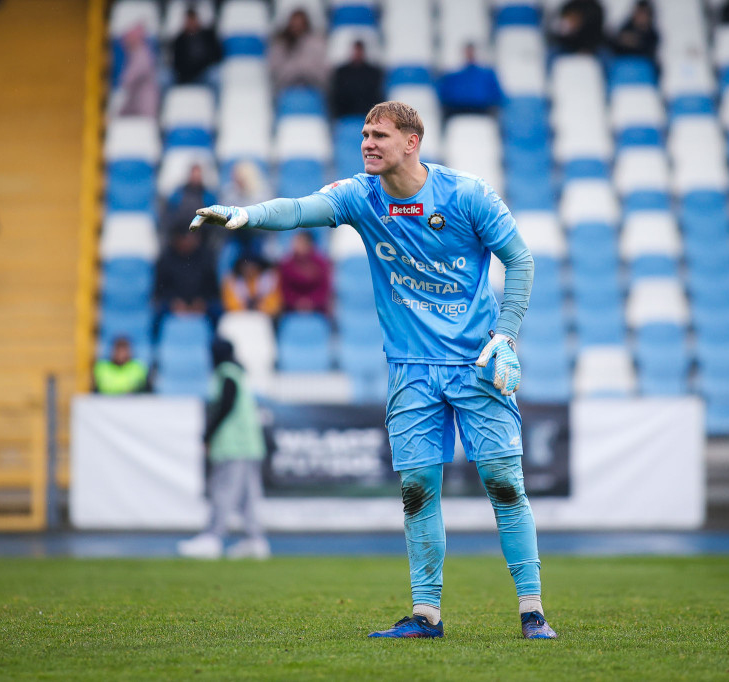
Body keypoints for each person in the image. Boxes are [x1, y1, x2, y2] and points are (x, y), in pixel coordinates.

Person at [190, 101, 556, 640]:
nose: (367, 143)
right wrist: (246, 215)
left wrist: (505, 335)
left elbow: (520, 261)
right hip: (410, 370)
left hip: (476, 364)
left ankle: (532, 611)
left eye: (379, 135)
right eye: (363, 133)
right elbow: (297, 210)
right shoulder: (362, 196)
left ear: (412, 142)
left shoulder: (467, 195)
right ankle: (426, 615)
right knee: (417, 491)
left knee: (504, 484)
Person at [177, 338, 270, 560]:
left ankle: (213, 537)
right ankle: (254, 539)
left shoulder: (225, 374)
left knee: (223, 491)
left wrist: (208, 434)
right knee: (249, 495)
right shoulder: (238, 373)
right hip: (250, 444)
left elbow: (225, 406)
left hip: (232, 444)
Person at [152, 229, 221, 335]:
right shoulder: (165, 259)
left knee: (218, 311)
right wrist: (173, 302)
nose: (188, 242)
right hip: (172, 303)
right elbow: (159, 289)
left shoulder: (206, 258)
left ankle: (215, 341)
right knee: (157, 314)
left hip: (201, 303)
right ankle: (155, 346)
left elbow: (213, 289)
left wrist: (203, 302)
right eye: (185, 238)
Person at [436, 43, 505, 117]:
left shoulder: (487, 74)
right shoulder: (452, 76)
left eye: (472, 52)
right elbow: (443, 95)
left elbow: (497, 95)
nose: (470, 55)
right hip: (457, 110)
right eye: (468, 52)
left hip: (481, 110)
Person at [267, 8, 327, 93]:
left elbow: (322, 69)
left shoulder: (316, 42)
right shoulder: (280, 43)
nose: (297, 26)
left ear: (305, 24)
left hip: (312, 86)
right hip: (286, 88)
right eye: (294, 24)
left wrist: (305, 71)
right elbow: (274, 69)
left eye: (300, 23)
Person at [279, 231, 332, 314]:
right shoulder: (286, 264)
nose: (295, 246)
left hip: (318, 309)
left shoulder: (321, 264)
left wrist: (311, 302)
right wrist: (297, 303)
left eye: (300, 242)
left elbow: (324, 289)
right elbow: (284, 289)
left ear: (309, 244)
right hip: (291, 309)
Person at [330, 40, 384, 120]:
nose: (357, 53)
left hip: (367, 112)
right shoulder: (341, 72)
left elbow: (376, 96)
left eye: (360, 51)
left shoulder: (373, 73)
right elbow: (337, 96)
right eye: (356, 50)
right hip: (345, 113)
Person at [170, 6, 221, 85]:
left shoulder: (208, 36)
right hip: (184, 75)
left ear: (197, 20)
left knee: (214, 75)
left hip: (204, 73)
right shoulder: (179, 40)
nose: (191, 23)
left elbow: (217, 56)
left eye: (193, 20)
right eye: (189, 20)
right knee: (166, 77)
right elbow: (176, 63)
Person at [117, 24, 159, 118]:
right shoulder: (133, 54)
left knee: (145, 127)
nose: (125, 41)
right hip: (134, 98)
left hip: (144, 100)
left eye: (129, 37)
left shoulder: (142, 54)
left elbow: (128, 79)